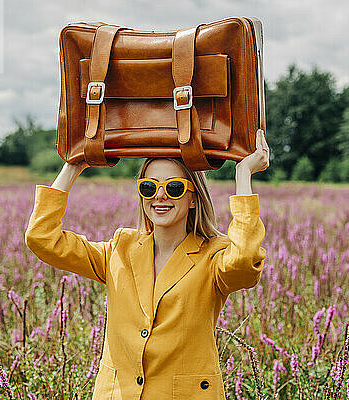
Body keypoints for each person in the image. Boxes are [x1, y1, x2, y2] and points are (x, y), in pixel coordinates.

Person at [25, 129, 270, 399]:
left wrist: (244, 174)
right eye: (149, 187)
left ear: (193, 198)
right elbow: (42, 239)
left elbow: (245, 263)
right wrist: (73, 166)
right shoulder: (121, 248)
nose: (159, 196)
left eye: (174, 188)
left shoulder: (213, 256)